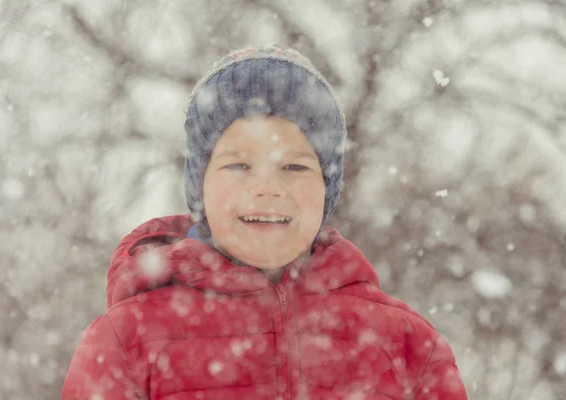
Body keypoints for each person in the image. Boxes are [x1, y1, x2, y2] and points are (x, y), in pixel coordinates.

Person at [62, 46, 468, 400]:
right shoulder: (126, 338)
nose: (267, 187)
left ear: (327, 188)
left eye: (294, 165)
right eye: (238, 164)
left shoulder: (407, 343)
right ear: (199, 183)